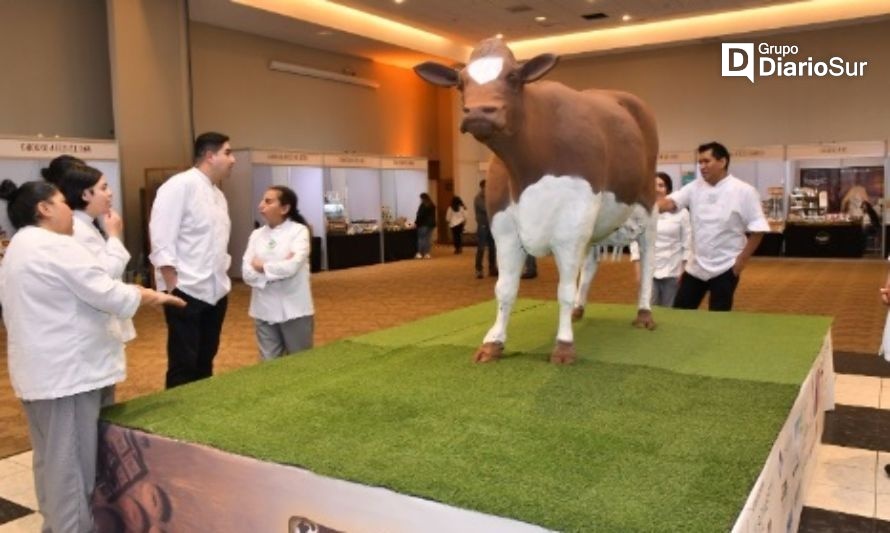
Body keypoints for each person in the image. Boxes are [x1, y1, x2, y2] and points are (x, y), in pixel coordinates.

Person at [0, 179, 184, 533]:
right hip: (68, 376)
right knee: (72, 471)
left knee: (52, 463)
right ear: (45, 209)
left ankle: (56, 527)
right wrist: (151, 295)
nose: (70, 208)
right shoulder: (53, 246)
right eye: (62, 202)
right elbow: (106, 291)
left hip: (44, 375)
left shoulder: (21, 246)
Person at [149, 132, 234, 388]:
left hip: (216, 288)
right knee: (183, 362)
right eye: (228, 152)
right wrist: (173, 285)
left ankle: (200, 414)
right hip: (186, 289)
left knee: (206, 358)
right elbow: (162, 237)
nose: (233, 160)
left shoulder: (218, 195)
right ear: (210, 156)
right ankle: (175, 421)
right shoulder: (179, 186)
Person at [52, 162, 136, 404]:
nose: (110, 193)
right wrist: (114, 236)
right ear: (86, 194)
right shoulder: (77, 229)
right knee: (96, 402)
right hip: (89, 328)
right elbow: (105, 276)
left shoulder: (87, 225)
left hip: (99, 327)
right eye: (104, 187)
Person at [657, 141, 769, 311]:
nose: (702, 166)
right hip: (696, 266)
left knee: (718, 317)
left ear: (723, 162)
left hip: (726, 266)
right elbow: (670, 203)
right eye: (699, 162)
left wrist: (740, 262)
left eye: (706, 161)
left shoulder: (744, 191)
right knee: (680, 310)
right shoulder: (694, 187)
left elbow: (759, 229)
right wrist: (641, 207)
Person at [242, 186, 315, 360]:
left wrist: (262, 267)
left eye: (268, 201)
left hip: (295, 309)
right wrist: (276, 268)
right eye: (262, 200)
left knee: (300, 362)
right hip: (264, 309)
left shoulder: (299, 231)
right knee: (268, 364)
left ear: (284, 208)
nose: (261, 205)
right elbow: (246, 273)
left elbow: (292, 267)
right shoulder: (256, 235)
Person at [630, 172, 692, 306]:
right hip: (649, 271)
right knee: (648, 308)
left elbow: (687, 244)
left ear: (668, 189)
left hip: (673, 272)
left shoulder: (682, 212)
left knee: (670, 311)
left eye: (661, 185)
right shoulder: (641, 211)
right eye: (653, 185)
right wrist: (638, 272)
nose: (657, 189)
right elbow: (635, 245)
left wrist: (684, 270)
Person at [474, 179, 497, 279]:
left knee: (493, 248)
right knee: (481, 248)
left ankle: (492, 268)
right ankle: (479, 269)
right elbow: (487, 208)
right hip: (482, 225)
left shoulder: (490, 196)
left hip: (491, 225)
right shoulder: (478, 198)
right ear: (482, 187)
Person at [414, 192, 436, 259]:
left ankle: (420, 253)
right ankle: (427, 253)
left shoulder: (423, 205)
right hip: (431, 224)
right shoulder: (432, 205)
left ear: (422, 198)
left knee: (421, 239)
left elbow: (419, 215)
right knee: (427, 239)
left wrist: (416, 223)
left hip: (423, 224)